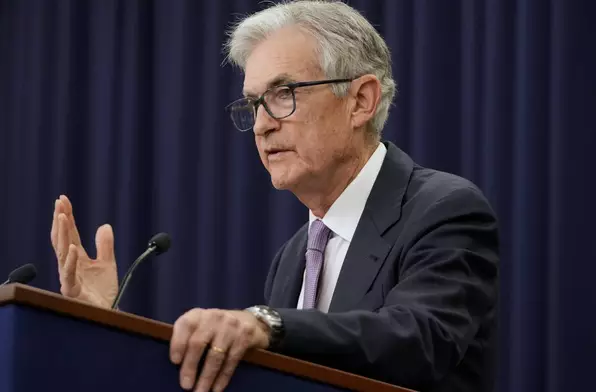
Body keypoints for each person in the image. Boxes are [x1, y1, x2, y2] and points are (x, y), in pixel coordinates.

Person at [50, 1, 499, 391]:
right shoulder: (293, 258)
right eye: (253, 103)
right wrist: (107, 327)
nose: (262, 125)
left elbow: (418, 339)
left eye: (284, 94)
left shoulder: (443, 209)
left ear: (360, 101)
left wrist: (269, 324)